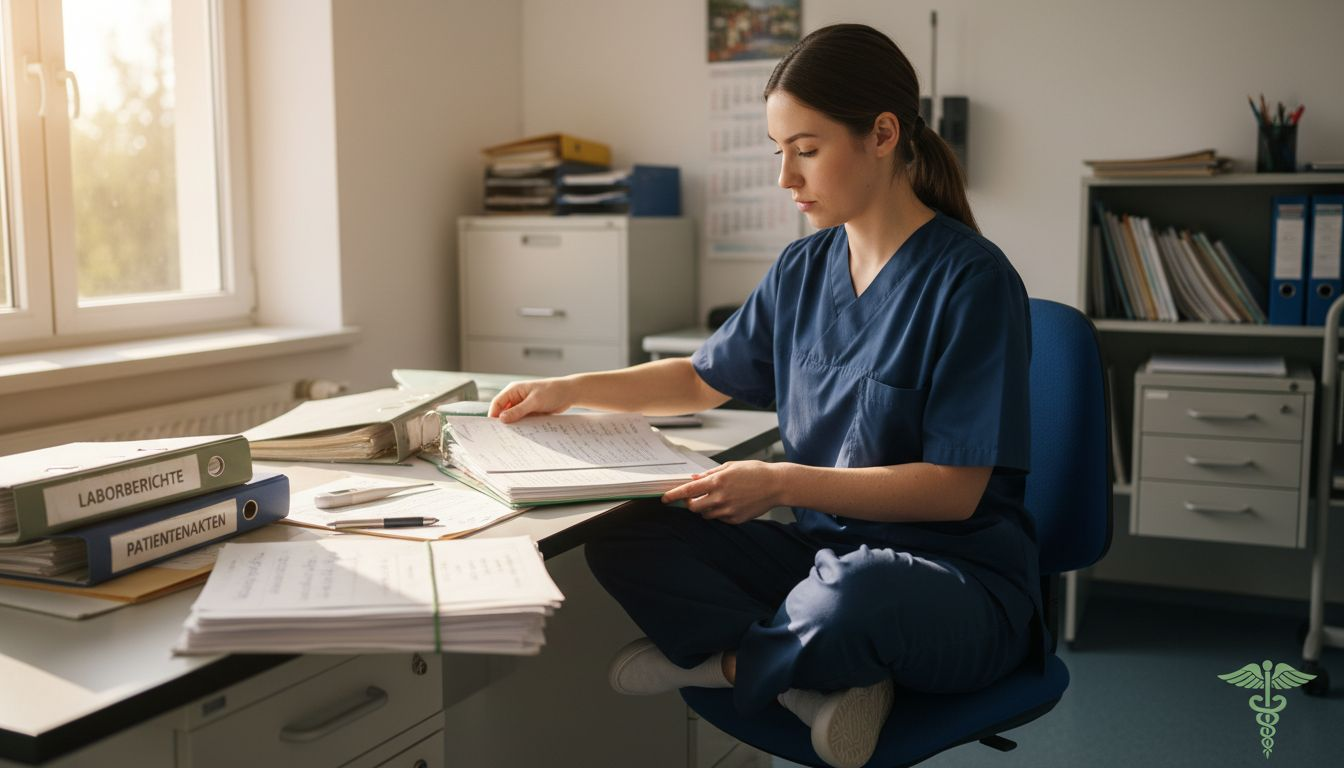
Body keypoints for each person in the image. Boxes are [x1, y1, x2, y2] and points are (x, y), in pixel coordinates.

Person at [487, 23, 1043, 768]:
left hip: (952, 582)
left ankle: (729, 666)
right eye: (778, 151)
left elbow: (953, 491)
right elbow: (699, 379)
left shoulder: (972, 282)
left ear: (882, 134)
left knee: (858, 596)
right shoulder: (803, 268)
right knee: (628, 530)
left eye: (806, 151)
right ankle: (811, 681)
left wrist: (779, 482)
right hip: (820, 556)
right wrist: (568, 390)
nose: (786, 177)